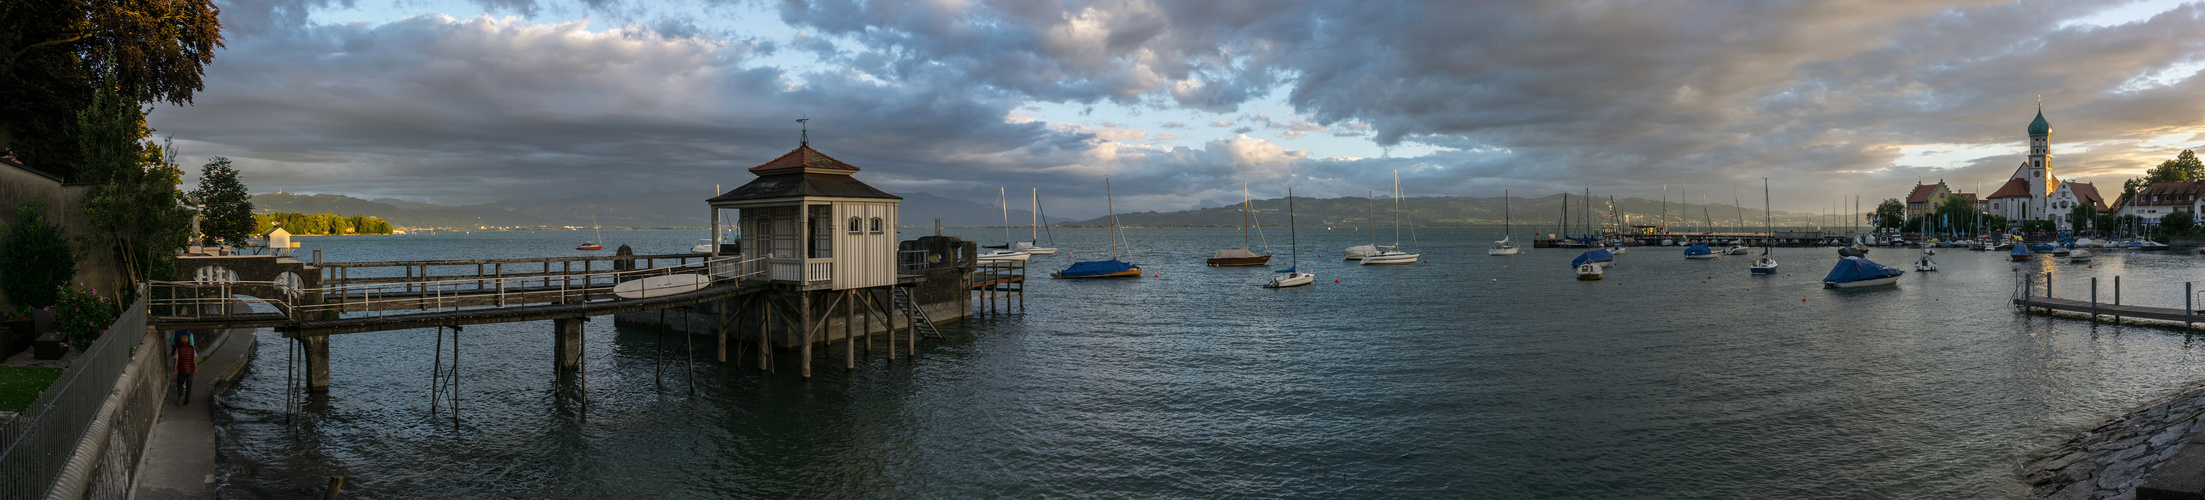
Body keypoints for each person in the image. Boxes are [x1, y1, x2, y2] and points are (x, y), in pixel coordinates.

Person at [171, 330, 197, 406]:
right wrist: (195, 369)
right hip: (190, 370)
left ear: (181, 340)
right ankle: (187, 401)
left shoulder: (178, 349)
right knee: (189, 386)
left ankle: (181, 395)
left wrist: (174, 369)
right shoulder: (192, 348)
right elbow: (194, 360)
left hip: (182, 370)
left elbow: (176, 360)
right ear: (187, 340)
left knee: (179, 384)